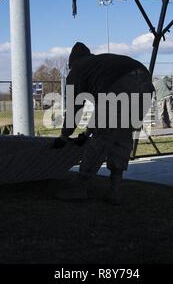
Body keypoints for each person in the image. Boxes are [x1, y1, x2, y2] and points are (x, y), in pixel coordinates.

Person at [53, 42, 154, 204]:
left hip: (121, 85)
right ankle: (115, 189)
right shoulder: (99, 65)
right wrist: (86, 133)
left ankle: (82, 186)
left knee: (101, 140)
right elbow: (103, 112)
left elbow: (74, 109)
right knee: (122, 137)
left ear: (71, 63)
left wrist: (64, 135)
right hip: (145, 82)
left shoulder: (77, 70)